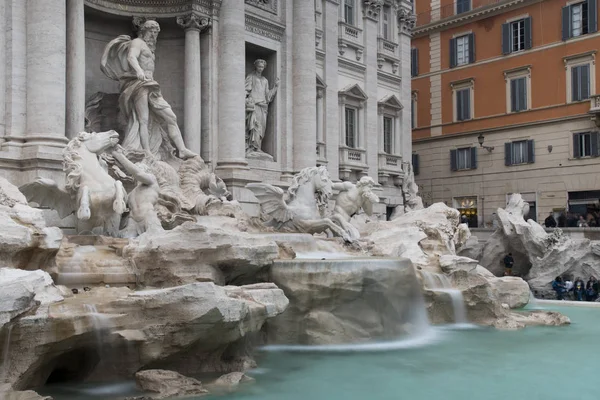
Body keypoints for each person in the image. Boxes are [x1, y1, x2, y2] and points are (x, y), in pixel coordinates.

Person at [101, 20, 197, 159]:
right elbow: (131, 56)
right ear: (143, 31)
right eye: (151, 31)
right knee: (143, 119)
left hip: (151, 85)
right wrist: (139, 71)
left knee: (171, 117)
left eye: (155, 33)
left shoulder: (150, 48)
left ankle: (182, 149)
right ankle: (147, 152)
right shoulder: (137, 42)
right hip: (139, 84)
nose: (153, 35)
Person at [245, 59, 279, 155]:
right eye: (259, 66)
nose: (260, 68)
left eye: (262, 67)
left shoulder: (265, 80)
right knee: (255, 126)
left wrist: (275, 87)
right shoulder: (251, 77)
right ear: (256, 66)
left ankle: (258, 146)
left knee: (261, 129)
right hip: (254, 105)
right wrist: (247, 100)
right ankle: (252, 147)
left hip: (263, 107)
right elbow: (246, 90)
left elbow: (268, 96)